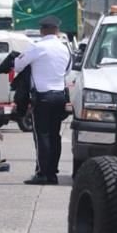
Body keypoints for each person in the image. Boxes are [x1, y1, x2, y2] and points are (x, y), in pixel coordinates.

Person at [14, 15, 71, 185]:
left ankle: (42, 173)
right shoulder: (64, 48)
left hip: (43, 97)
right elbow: (67, 71)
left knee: (42, 136)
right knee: (55, 136)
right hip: (60, 96)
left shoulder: (38, 47)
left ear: (42, 31)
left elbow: (18, 65)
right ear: (57, 30)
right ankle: (53, 173)